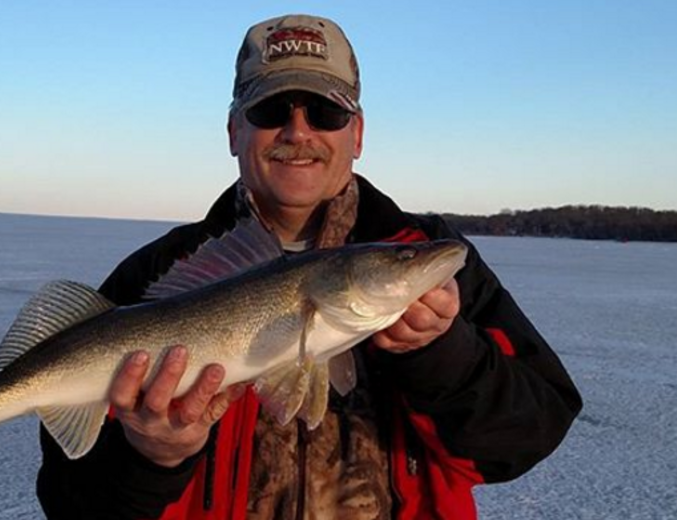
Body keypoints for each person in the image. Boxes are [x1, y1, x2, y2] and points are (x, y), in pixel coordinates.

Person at [37, 14, 582, 520]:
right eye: (271, 111)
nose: (298, 132)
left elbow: (527, 438)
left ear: (358, 133)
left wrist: (443, 355)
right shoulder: (152, 277)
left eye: (326, 112)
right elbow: (71, 504)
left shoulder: (437, 265)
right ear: (234, 132)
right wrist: (152, 458)